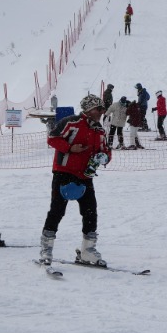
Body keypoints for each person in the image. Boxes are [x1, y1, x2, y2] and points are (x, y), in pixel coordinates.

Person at [41, 92, 111, 268]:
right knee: (57, 211)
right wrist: (70, 148)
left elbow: (106, 149)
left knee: (90, 212)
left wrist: (104, 157)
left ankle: (88, 251)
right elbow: (53, 138)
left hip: (86, 175)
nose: (102, 112)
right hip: (64, 172)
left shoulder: (99, 130)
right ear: (88, 109)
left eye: (102, 108)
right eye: (98, 108)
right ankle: (46, 249)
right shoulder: (71, 122)